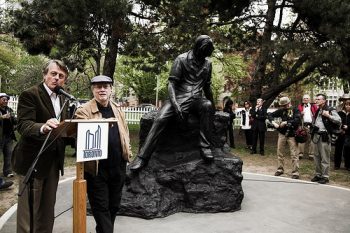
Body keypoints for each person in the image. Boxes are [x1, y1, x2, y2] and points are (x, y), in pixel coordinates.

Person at [129, 35, 215, 171]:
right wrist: (175, 104)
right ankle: (142, 157)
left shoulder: (208, 64)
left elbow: (207, 87)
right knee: (161, 118)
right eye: (205, 52)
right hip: (178, 97)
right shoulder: (181, 59)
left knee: (207, 106)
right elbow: (171, 84)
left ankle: (205, 146)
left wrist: (213, 106)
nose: (206, 56)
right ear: (198, 49)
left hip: (197, 99)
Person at [11, 59, 69, 233]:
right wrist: (43, 127)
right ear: (44, 75)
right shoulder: (30, 94)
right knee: (29, 212)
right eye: (53, 74)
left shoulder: (62, 98)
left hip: (53, 161)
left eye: (61, 76)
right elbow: (24, 125)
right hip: (33, 161)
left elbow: (62, 130)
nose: (57, 78)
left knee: (47, 209)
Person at [75, 75, 132, 233]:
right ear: (93, 90)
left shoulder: (117, 109)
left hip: (118, 166)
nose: (102, 89)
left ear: (111, 89)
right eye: (98, 87)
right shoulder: (83, 111)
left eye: (105, 86)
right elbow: (82, 136)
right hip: (97, 169)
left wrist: (128, 154)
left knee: (113, 206)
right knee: (101, 207)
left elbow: (125, 132)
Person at [311, 94, 341, 184]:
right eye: (316, 99)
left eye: (318, 99)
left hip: (325, 136)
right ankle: (318, 174)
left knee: (325, 157)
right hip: (316, 135)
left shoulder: (330, 110)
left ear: (324, 101)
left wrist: (329, 116)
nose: (316, 100)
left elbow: (339, 120)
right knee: (316, 157)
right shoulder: (318, 110)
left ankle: (325, 176)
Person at [268, 96, 301, 179]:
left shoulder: (295, 110)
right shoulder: (281, 110)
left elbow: (297, 120)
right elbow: (269, 115)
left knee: (294, 154)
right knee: (280, 152)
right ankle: (280, 169)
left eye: (285, 105)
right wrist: (273, 122)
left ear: (289, 103)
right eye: (282, 106)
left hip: (292, 134)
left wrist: (286, 122)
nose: (283, 107)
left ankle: (295, 172)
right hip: (282, 134)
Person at [0, 93, 17, 177]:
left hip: (9, 136)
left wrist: (15, 120)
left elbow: (14, 121)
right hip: (0, 137)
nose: (6, 101)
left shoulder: (9, 110)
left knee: (9, 154)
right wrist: (2, 117)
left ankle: (7, 172)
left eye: (7, 99)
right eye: (3, 99)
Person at [297, 94, 318, 160]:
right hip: (303, 125)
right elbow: (296, 115)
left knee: (312, 140)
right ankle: (300, 153)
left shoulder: (313, 106)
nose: (305, 99)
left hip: (311, 125)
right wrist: (300, 114)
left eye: (306, 98)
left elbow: (317, 114)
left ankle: (311, 155)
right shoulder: (300, 106)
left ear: (309, 99)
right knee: (301, 139)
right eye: (304, 98)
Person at [334, 94, 350, 170]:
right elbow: (337, 121)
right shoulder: (339, 110)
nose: (347, 106)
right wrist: (341, 128)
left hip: (349, 134)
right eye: (344, 99)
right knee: (338, 149)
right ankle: (337, 164)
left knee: (348, 150)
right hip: (340, 132)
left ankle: (348, 165)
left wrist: (348, 128)